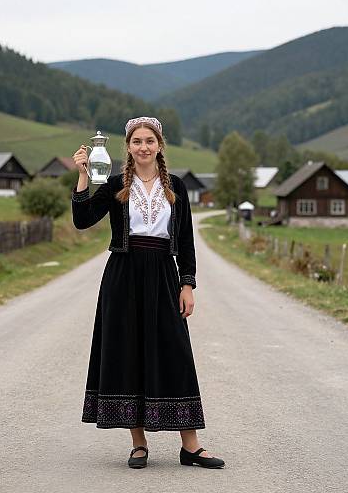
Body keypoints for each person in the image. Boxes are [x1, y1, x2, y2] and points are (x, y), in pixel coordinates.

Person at [71, 116, 224, 470]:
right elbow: (82, 220)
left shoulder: (177, 187)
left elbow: (185, 240)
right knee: (129, 354)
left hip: (164, 275)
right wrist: (82, 176)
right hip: (123, 277)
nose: (143, 147)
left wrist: (188, 284)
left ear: (159, 145)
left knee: (176, 354)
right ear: (128, 147)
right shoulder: (113, 186)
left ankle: (191, 446)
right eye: (137, 141)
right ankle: (138, 443)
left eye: (149, 141)